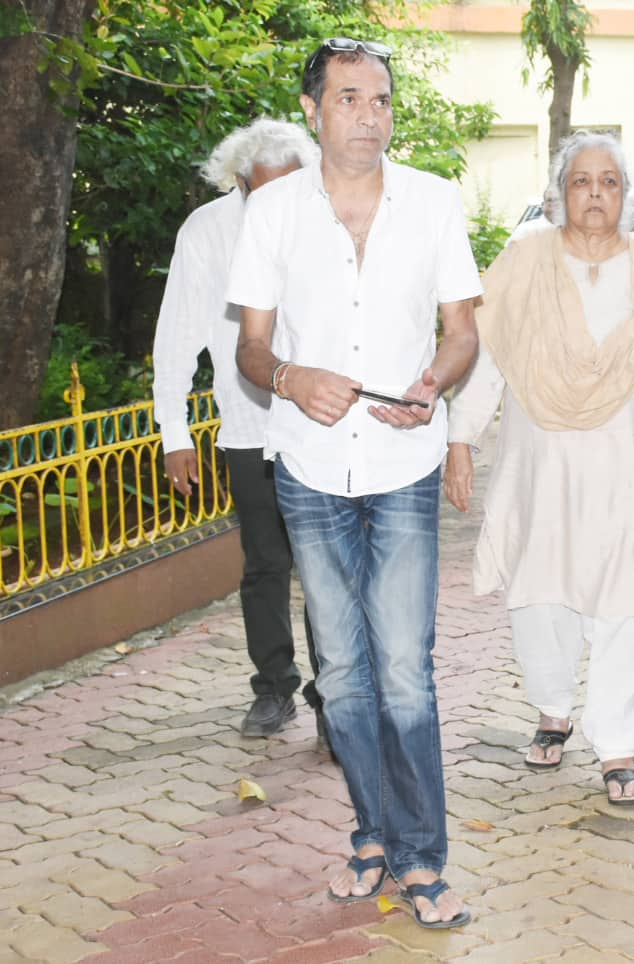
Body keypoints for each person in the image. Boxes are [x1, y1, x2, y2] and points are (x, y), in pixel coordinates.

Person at [227, 37, 481, 927]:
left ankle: (423, 858)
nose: (368, 116)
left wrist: (432, 385)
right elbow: (250, 349)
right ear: (312, 109)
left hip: (404, 461)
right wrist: (293, 379)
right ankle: (372, 837)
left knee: (405, 671)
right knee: (342, 675)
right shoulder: (275, 212)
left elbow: (462, 332)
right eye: (348, 98)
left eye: (379, 99)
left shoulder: (435, 202)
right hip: (307, 465)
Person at [444, 131, 634, 807]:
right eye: (582, 181)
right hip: (543, 459)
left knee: (628, 596)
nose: (595, 194)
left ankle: (617, 745)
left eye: (609, 182)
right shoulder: (526, 261)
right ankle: (553, 706)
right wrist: (461, 439)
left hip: (627, 460)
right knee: (540, 589)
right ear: (560, 193)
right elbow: (492, 355)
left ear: (624, 195)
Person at [151, 118, 322, 740]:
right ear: (241, 182)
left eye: (291, 186)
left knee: (329, 568)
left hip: (321, 427)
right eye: (265, 189)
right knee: (265, 566)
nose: (279, 200)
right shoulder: (208, 231)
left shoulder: (325, 218)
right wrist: (175, 431)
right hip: (250, 428)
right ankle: (274, 688)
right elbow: (176, 335)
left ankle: (334, 696)